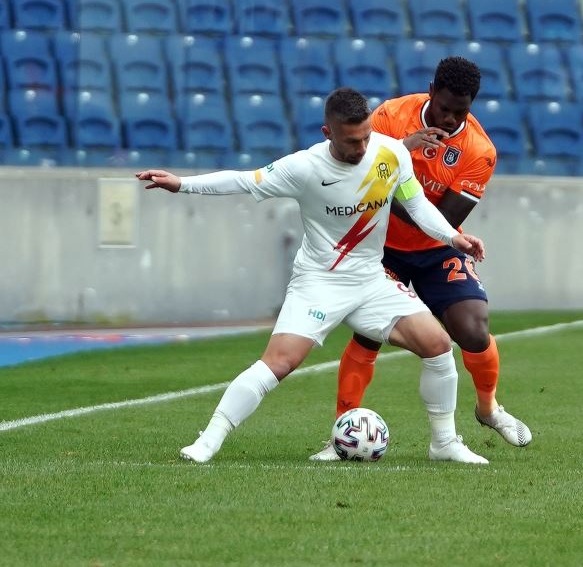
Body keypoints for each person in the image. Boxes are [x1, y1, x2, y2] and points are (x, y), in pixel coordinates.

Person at [136, 87, 489, 464]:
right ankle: (209, 439)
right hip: (319, 283)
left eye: (367, 136)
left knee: (437, 344)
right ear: (327, 133)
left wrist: (453, 237)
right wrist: (182, 184)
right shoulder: (303, 168)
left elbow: (417, 205)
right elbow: (242, 180)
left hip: (371, 281)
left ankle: (444, 443)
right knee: (279, 363)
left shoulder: (391, 152)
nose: (362, 147)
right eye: (352, 141)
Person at [310, 58, 531, 461]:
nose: (448, 118)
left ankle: (487, 409)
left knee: (474, 329)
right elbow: (358, 178)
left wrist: (393, 181)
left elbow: (444, 220)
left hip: (435, 249)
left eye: (459, 111)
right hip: (380, 248)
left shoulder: (479, 151)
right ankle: (339, 436)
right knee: (368, 334)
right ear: (431, 89)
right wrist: (402, 152)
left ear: (472, 105)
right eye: (443, 106)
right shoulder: (392, 117)